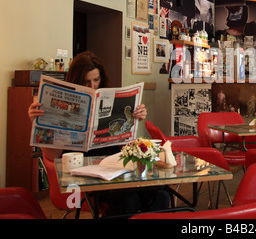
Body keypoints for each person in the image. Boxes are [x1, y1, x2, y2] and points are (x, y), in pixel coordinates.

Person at [28, 51, 170, 217]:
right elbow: (51, 156)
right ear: (75, 80)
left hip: (113, 167)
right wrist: (39, 123)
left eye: (96, 80)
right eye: (86, 82)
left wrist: (134, 120)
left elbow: (123, 145)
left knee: (161, 194)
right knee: (128, 200)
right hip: (84, 174)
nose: (92, 86)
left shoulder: (109, 98)